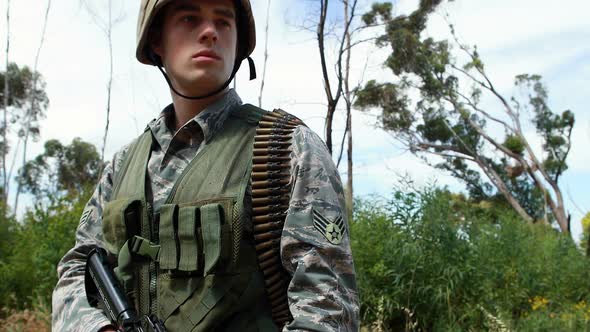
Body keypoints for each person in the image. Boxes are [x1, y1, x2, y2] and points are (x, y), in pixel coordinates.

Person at [52, 0, 359, 331]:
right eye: (189, 18)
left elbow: (327, 310)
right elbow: (76, 270)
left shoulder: (287, 147)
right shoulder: (122, 165)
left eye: (224, 22)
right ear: (156, 41)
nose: (210, 32)